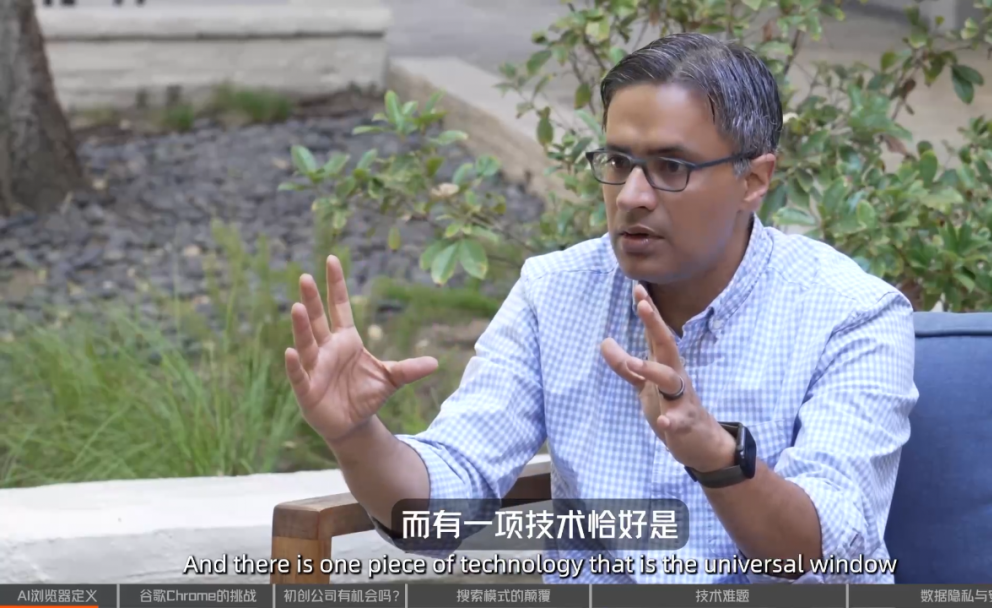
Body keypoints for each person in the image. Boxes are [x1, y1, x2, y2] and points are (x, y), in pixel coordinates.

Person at [283, 32, 918, 584]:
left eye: (671, 166)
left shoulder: (851, 314)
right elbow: (441, 508)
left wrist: (714, 454)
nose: (633, 195)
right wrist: (355, 436)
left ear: (753, 179)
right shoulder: (555, 292)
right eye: (618, 161)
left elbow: (830, 555)